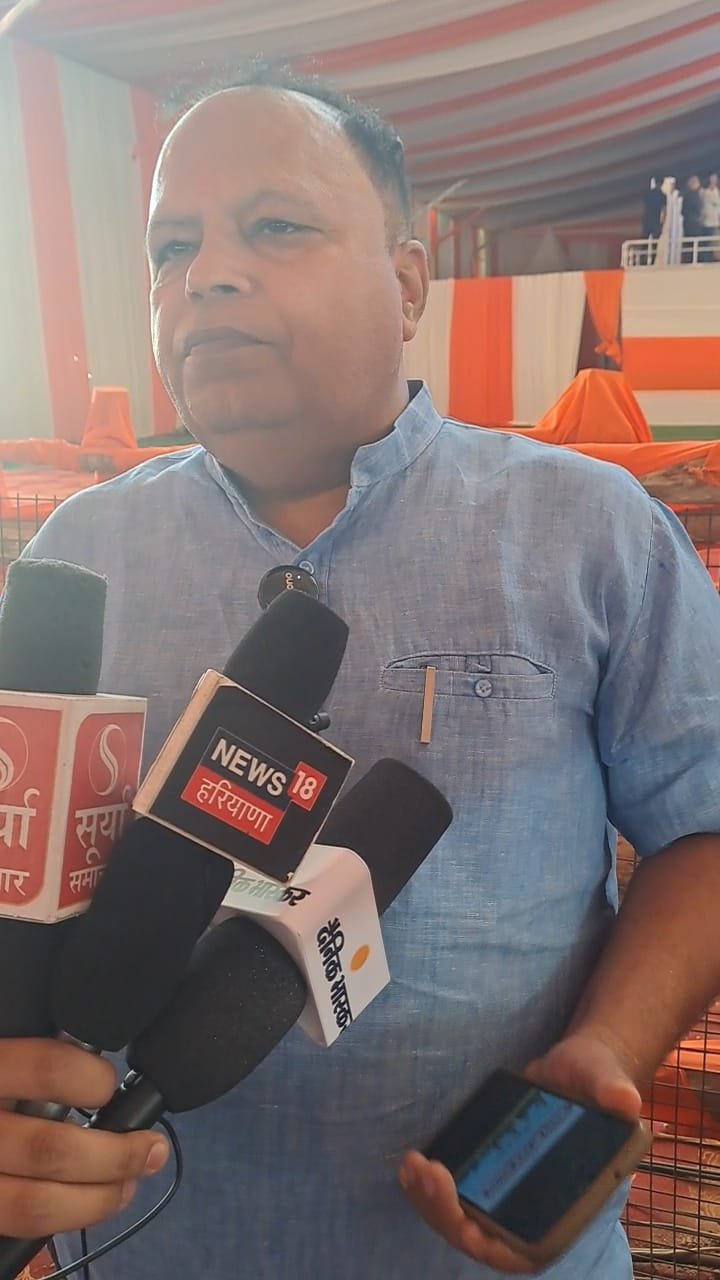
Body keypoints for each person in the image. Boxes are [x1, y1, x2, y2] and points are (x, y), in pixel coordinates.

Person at [3, 66, 720, 1280]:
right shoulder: (77, 556)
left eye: (276, 226)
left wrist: (609, 1043)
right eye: (173, 246)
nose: (207, 273)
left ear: (407, 281)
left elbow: (704, 824)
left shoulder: (589, 529)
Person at [682, 175, 706, 261]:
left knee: (688, 243)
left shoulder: (686, 196)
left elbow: (682, 211)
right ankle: (695, 260)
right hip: (695, 222)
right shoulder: (695, 196)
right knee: (696, 243)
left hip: (687, 222)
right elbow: (699, 208)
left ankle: (688, 260)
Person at [701, 174, 720, 259]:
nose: (714, 182)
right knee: (708, 242)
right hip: (708, 222)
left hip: (715, 221)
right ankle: (707, 259)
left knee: (715, 242)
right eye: (712, 180)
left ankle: (714, 257)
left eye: (715, 180)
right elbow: (716, 201)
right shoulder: (706, 192)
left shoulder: (716, 191)